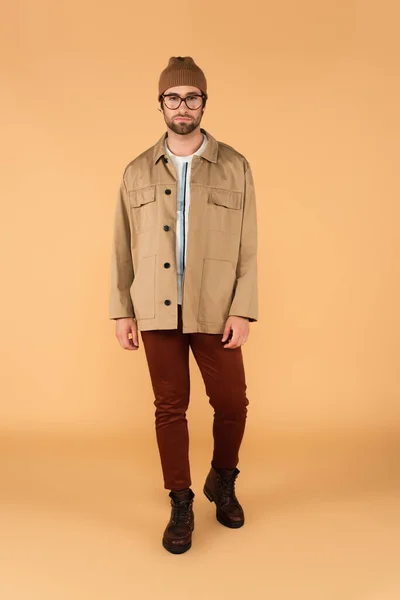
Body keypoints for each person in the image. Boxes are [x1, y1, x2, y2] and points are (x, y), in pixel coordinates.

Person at [109, 56, 258, 554]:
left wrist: (243, 308)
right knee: (170, 408)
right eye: (173, 97)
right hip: (154, 307)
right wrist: (121, 311)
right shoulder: (134, 172)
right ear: (161, 104)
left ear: (204, 103)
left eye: (191, 96)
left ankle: (223, 478)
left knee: (232, 403)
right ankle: (181, 500)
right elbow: (121, 246)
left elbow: (248, 245)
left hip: (216, 307)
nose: (182, 106)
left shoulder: (235, 165)